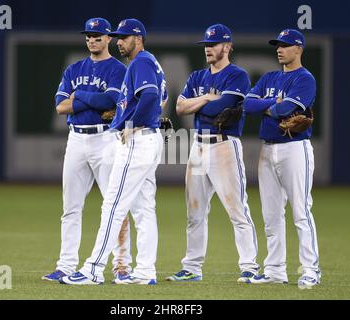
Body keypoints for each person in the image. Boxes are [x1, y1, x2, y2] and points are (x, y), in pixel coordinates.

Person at [60, 18, 167, 285]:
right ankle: (144, 272)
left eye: (124, 38)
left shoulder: (141, 61)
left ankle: (92, 270)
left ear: (138, 38)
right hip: (150, 138)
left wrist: (132, 123)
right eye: (117, 37)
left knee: (113, 206)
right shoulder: (150, 61)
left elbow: (152, 96)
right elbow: (160, 98)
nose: (119, 42)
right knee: (144, 209)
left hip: (139, 139)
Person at [166, 24, 260, 283]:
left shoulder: (237, 75)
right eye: (206, 44)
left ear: (227, 46)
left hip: (224, 145)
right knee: (194, 212)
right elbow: (180, 107)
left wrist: (203, 103)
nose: (208, 48)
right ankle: (192, 268)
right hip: (197, 147)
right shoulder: (197, 76)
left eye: (214, 44)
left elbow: (223, 107)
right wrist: (207, 98)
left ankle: (250, 266)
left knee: (237, 209)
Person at [42, 18, 132, 282]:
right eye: (88, 36)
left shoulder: (117, 69)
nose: (91, 39)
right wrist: (89, 101)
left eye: (97, 35)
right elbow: (60, 106)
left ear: (108, 39)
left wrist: (78, 97)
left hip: (105, 140)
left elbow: (111, 100)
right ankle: (66, 266)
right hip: (77, 141)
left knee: (114, 205)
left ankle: (121, 266)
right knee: (70, 207)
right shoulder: (73, 69)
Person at [243, 29, 321, 289]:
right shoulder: (269, 77)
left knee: (300, 211)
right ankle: (275, 270)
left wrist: (269, 105)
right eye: (278, 45)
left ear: (298, 49)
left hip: (294, 149)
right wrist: (271, 103)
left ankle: (311, 270)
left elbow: (285, 109)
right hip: (268, 149)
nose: (279, 49)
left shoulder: (305, 78)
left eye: (285, 45)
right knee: (271, 214)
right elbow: (247, 104)